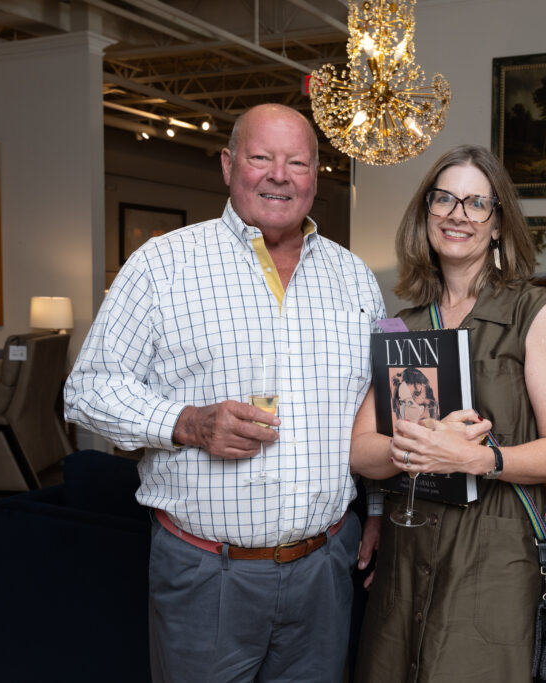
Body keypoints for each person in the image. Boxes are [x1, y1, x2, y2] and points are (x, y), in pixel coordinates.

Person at [64, 103, 386, 683]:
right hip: (207, 573)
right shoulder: (162, 266)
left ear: (316, 176)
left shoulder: (355, 278)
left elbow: (377, 408)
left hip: (324, 569)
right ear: (228, 164)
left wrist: (378, 509)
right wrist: (187, 422)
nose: (279, 175)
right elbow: (87, 391)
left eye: (297, 163)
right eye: (261, 157)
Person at [350, 144, 546, 682]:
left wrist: (474, 459)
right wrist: (415, 446)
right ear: (426, 213)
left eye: (477, 203)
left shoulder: (535, 312)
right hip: (406, 553)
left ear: (498, 224)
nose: (458, 214)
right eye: (444, 200)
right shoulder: (403, 326)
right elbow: (361, 451)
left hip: (493, 556)